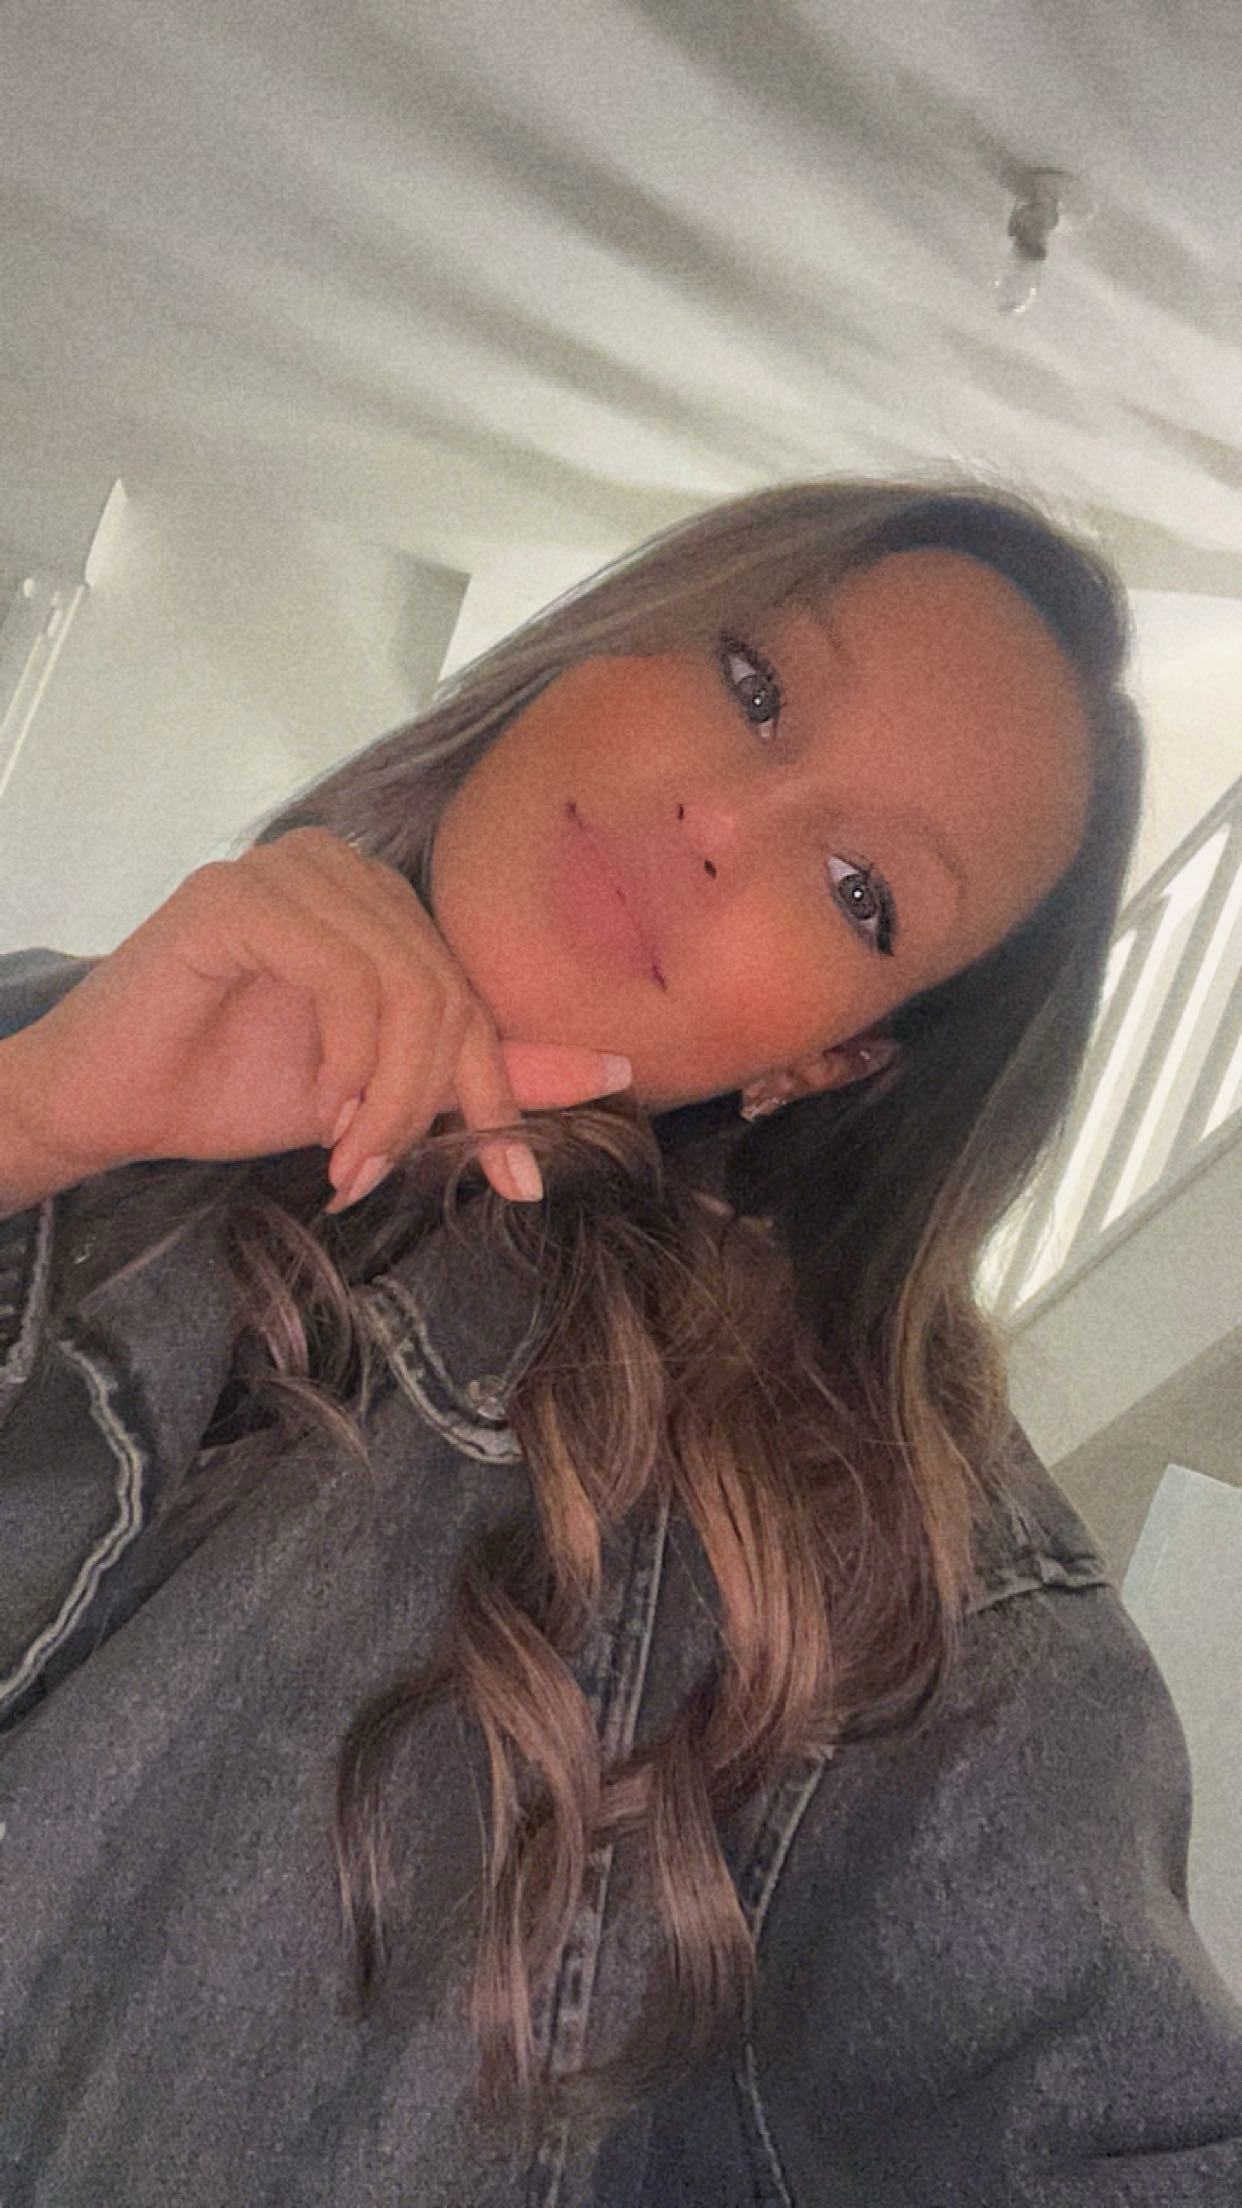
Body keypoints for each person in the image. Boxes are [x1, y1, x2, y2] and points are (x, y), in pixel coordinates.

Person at [0, 477, 1239, 2207]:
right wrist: (33, 1121)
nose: (724, 820)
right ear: (601, 647)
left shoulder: (873, 1581)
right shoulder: (42, 1028)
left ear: (826, 1061)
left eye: (861, 891)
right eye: (753, 683)